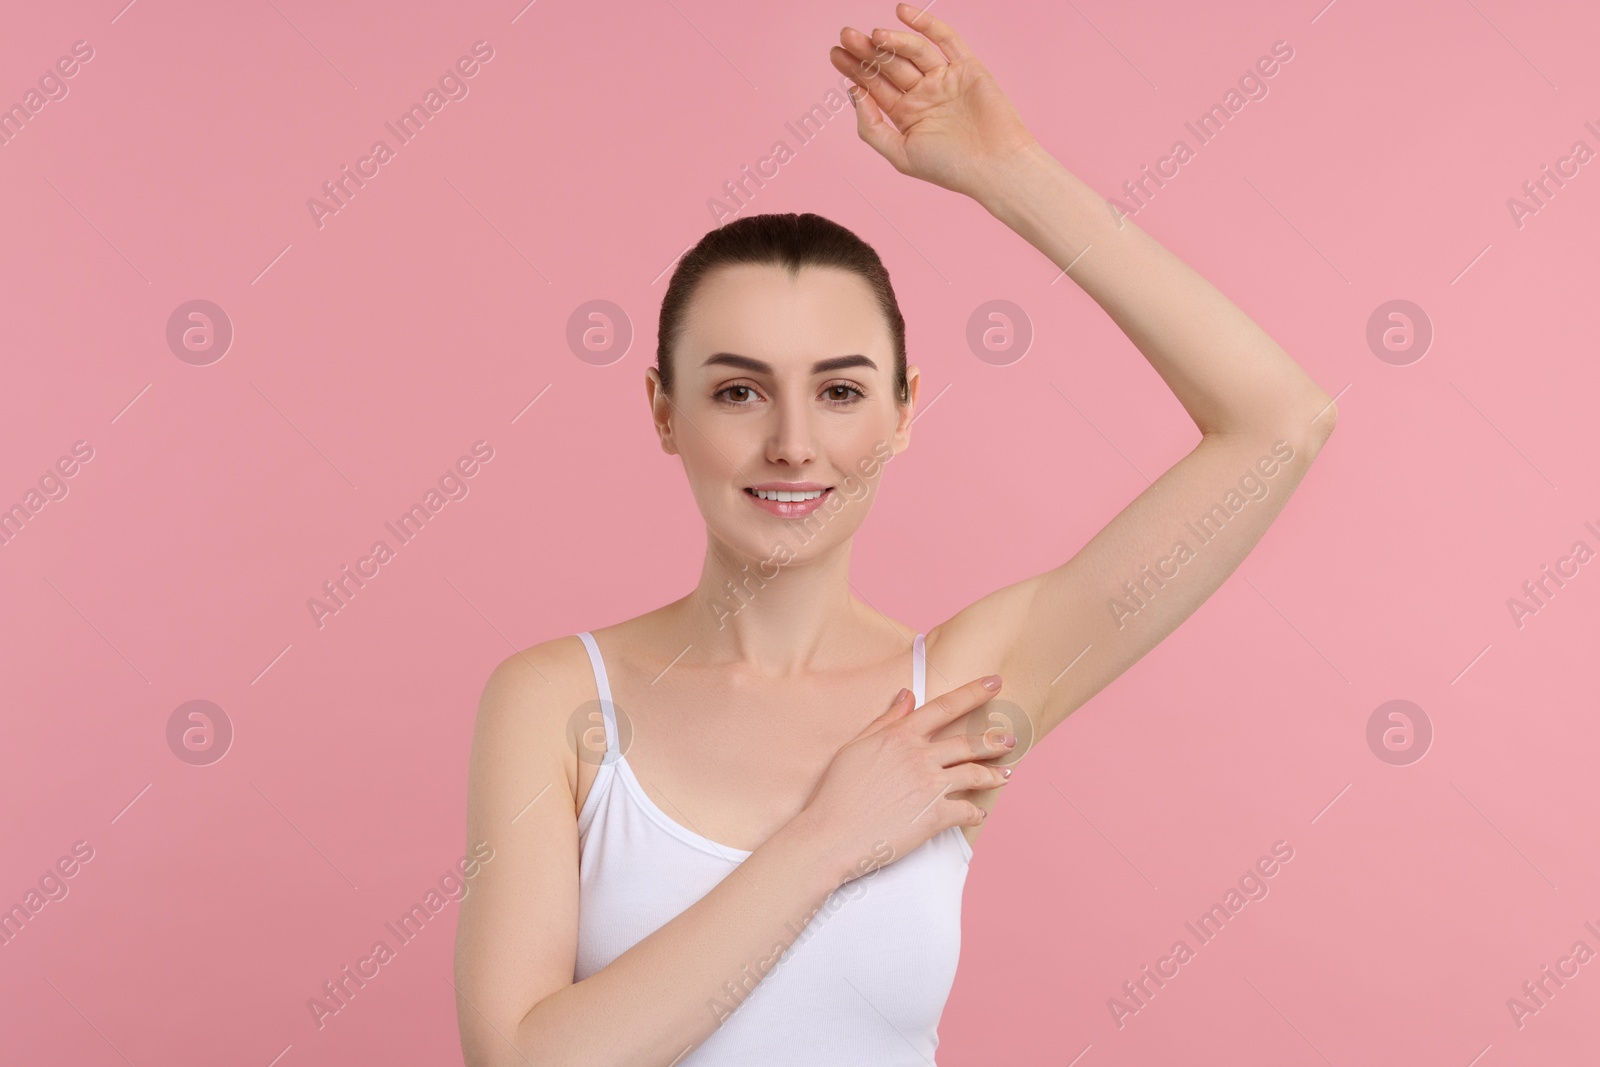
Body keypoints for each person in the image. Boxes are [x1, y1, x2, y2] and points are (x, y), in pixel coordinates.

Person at [453, 5, 1337, 1064]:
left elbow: (1279, 422)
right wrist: (828, 838)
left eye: (839, 390)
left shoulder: (962, 690)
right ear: (662, 409)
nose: (791, 442)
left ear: (905, 409)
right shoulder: (554, 697)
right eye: (737, 390)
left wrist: (1005, 168)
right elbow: (521, 1058)